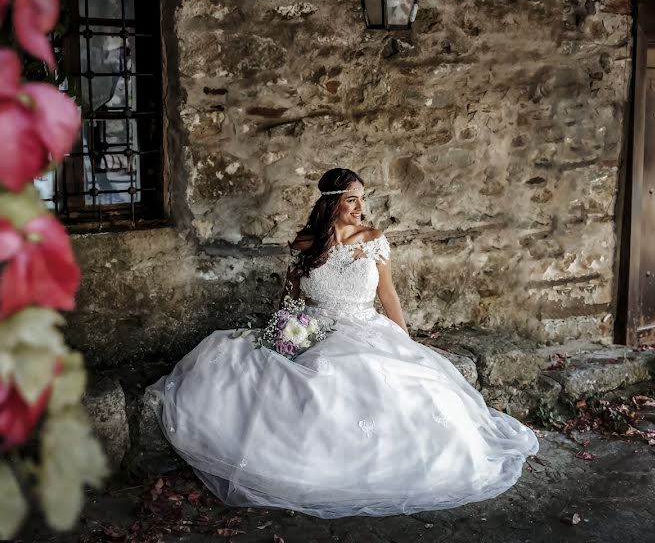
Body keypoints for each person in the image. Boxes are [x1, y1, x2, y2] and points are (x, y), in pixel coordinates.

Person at [147, 167, 539, 519]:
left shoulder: (373, 241)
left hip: (367, 328)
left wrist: (407, 341)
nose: (360, 207)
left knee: (387, 378)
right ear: (332, 203)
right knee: (301, 379)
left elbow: (389, 297)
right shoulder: (304, 245)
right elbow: (290, 301)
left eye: (362, 199)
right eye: (353, 199)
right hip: (317, 330)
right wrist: (284, 335)